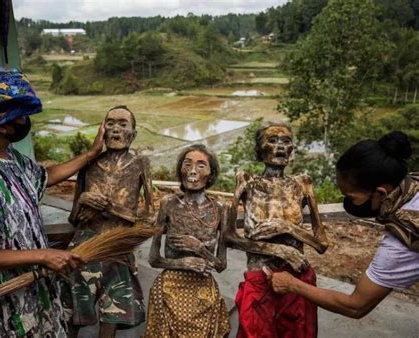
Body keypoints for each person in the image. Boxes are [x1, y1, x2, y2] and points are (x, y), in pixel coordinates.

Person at [0, 66, 105, 337]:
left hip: (33, 295)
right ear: (2, 123)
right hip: (5, 310)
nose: (24, 123)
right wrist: (44, 255)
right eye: (21, 117)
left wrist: (91, 154)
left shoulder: (12, 159)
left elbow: (45, 175)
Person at [268, 131, 419, 319]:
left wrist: (292, 284)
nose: (348, 202)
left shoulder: (404, 240)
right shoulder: (412, 183)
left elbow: (355, 306)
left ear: (380, 193)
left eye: (351, 197)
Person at [224, 121, 328, 338]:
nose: (280, 146)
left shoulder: (303, 183)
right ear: (261, 148)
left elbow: (321, 243)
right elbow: (229, 236)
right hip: (260, 277)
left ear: (292, 149)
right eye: (272, 140)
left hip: (297, 279)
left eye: (286, 141)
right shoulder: (247, 181)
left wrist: (286, 227)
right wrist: (280, 250)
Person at [64, 106, 153, 338]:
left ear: (133, 133)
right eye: (110, 123)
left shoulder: (140, 164)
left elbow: (149, 218)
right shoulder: (89, 164)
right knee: (73, 310)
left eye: (123, 124)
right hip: (84, 245)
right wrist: (84, 199)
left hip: (116, 246)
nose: (115, 129)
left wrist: (108, 208)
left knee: (112, 313)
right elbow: (74, 218)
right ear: (102, 130)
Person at [145, 144, 230, 337]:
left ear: (211, 173)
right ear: (180, 170)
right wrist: (182, 263)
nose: (192, 171)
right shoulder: (168, 204)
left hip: (203, 293)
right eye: (187, 164)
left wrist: (200, 249)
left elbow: (221, 265)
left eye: (201, 165)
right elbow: (153, 259)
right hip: (169, 290)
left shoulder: (220, 209)